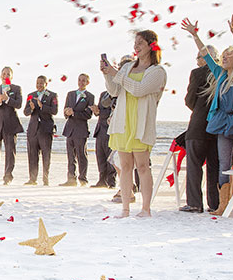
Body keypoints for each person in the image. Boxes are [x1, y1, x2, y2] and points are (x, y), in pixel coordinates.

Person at [183, 17, 233, 215]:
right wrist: (195, 35)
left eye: (227, 55)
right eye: (222, 55)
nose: (223, 58)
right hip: (223, 127)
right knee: (224, 165)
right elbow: (207, 56)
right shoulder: (220, 74)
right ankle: (222, 205)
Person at [101, 30, 167, 217]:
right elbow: (115, 90)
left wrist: (117, 73)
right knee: (125, 166)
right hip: (123, 121)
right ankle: (125, 208)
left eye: (140, 43)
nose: (136, 47)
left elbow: (139, 89)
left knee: (143, 166)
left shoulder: (157, 71)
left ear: (151, 45)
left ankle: (146, 208)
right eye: (135, 43)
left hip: (141, 122)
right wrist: (108, 74)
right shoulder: (128, 67)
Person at [179, 42, 220, 213]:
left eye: (199, 57)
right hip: (217, 126)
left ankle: (195, 203)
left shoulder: (197, 73)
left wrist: (199, 109)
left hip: (198, 125)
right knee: (214, 167)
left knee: (194, 166)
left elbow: (189, 100)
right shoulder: (223, 73)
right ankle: (215, 203)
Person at [0, 66, 23, 185]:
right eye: (4, 73)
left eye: (8, 74)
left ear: (11, 76)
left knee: (10, 152)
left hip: (11, 125)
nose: (5, 76)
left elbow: (18, 104)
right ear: (0, 75)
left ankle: (7, 177)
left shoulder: (16, 89)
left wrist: (7, 99)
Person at [23, 75, 57, 186]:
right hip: (33, 129)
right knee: (32, 155)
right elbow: (25, 112)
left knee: (46, 155)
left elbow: (54, 111)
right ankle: (32, 179)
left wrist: (42, 106)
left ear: (46, 84)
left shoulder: (52, 95)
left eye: (41, 83)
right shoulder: (31, 96)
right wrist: (32, 108)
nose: (39, 85)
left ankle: (45, 179)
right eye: (37, 83)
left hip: (46, 129)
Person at [61, 73, 93, 186]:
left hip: (81, 129)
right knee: (70, 156)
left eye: (84, 80)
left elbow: (88, 115)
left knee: (81, 155)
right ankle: (71, 179)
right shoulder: (70, 94)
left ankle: (83, 179)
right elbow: (65, 108)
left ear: (87, 83)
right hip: (70, 129)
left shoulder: (90, 96)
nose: (81, 82)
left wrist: (74, 113)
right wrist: (66, 112)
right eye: (79, 80)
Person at [90, 89, 117, 188]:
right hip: (100, 129)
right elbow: (99, 112)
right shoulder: (103, 94)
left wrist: (99, 112)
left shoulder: (117, 94)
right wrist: (96, 111)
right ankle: (101, 180)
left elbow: (113, 112)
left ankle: (111, 181)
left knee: (110, 156)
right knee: (100, 155)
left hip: (110, 129)